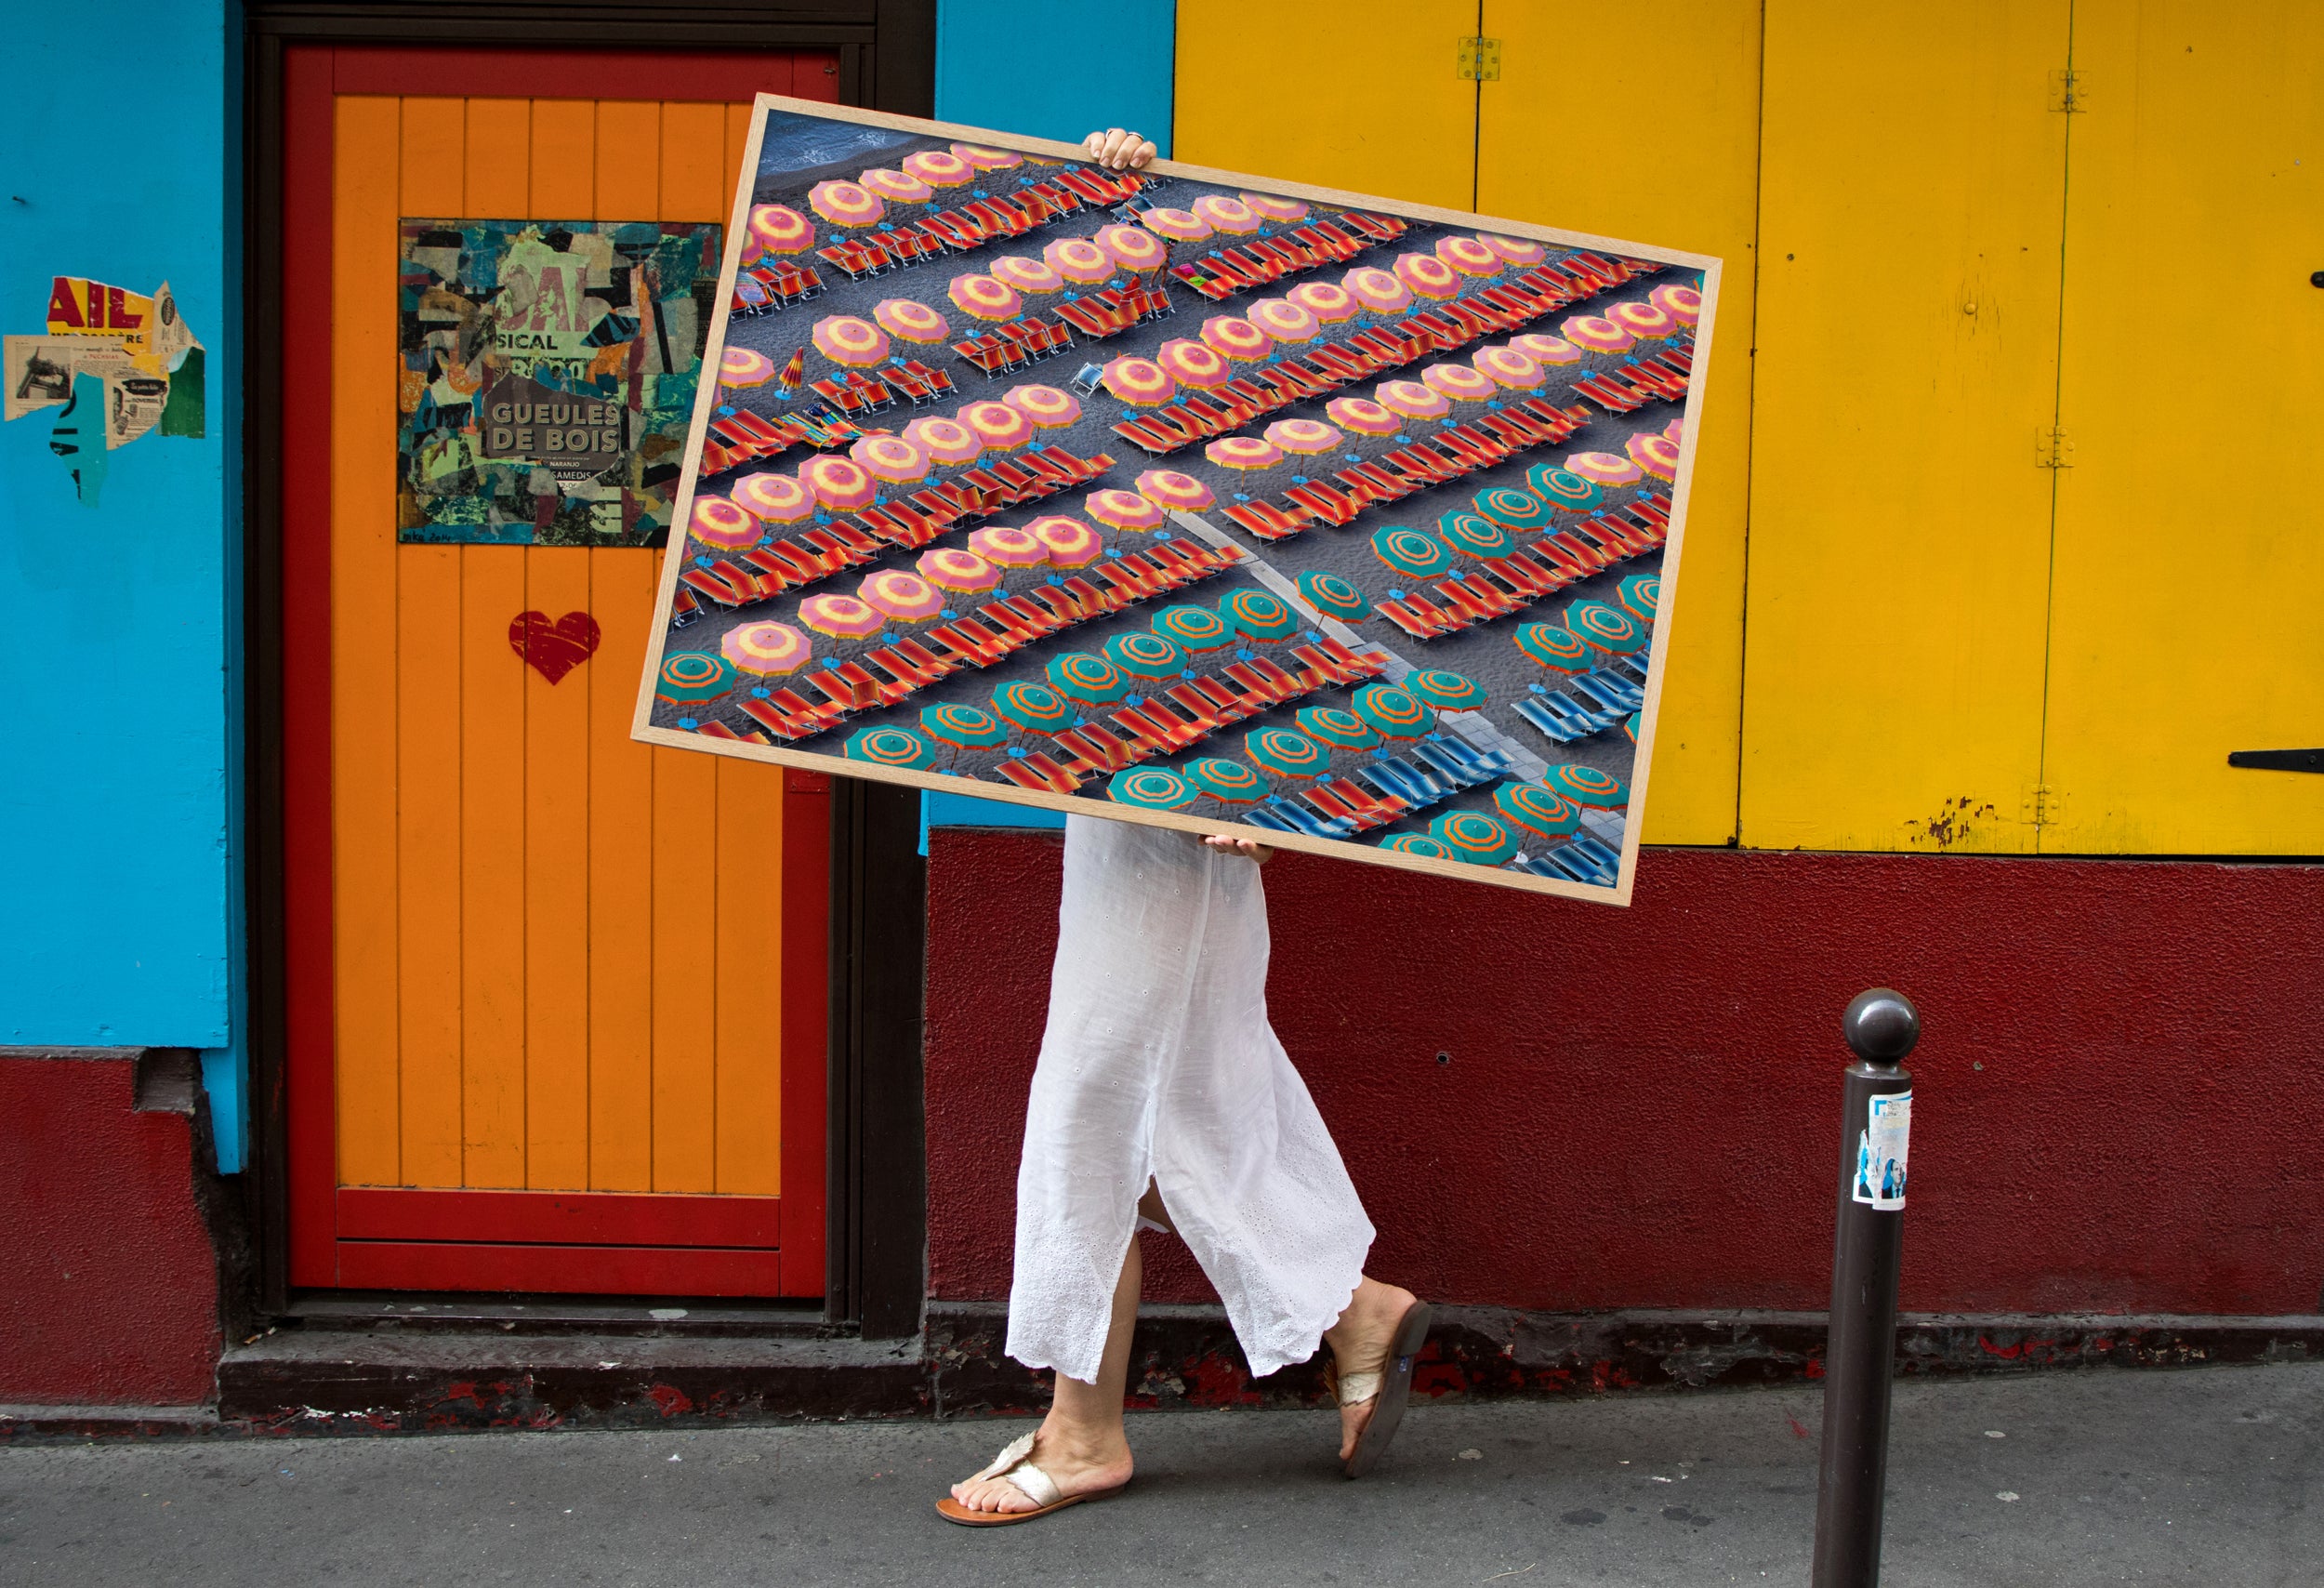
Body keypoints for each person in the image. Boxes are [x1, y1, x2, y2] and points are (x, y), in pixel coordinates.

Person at [938, 129, 1431, 1528]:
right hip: (1125, 774)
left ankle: (1084, 1427)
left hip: (1189, 783)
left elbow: (1318, 567)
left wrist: (1281, 771)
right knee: (1191, 1084)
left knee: (1097, 1096)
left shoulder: (1252, 403)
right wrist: (1098, 198)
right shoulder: (1103, 395)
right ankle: (1351, 1310)